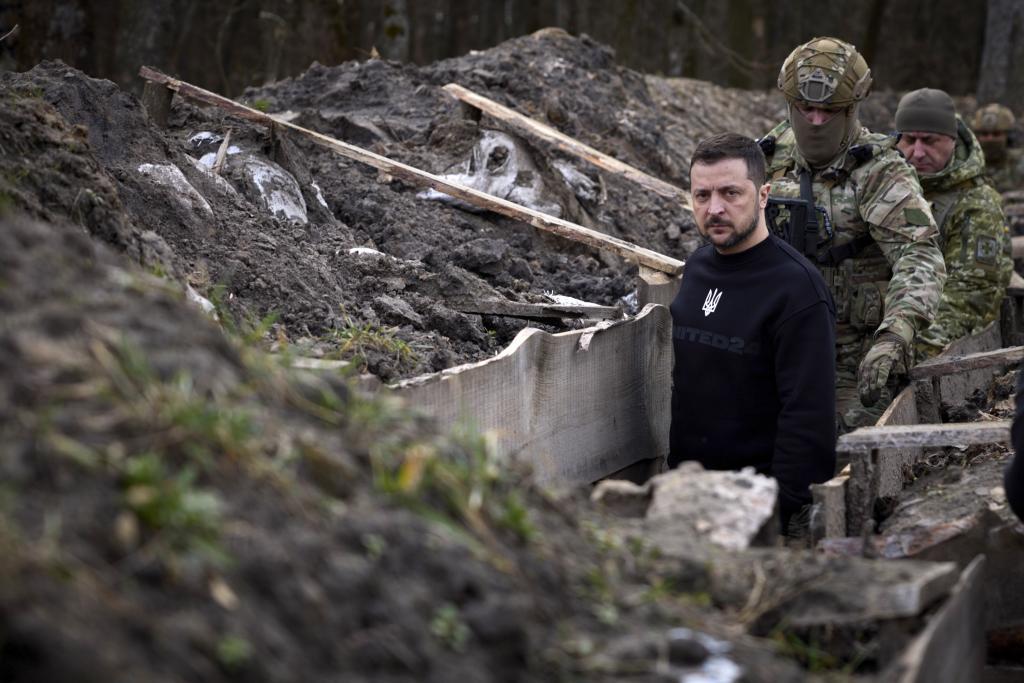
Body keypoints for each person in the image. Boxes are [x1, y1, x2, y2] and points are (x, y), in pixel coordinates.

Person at [759, 37, 946, 431]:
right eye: (805, 108)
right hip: (775, 344)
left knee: (838, 454)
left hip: (852, 358)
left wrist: (895, 334)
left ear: (851, 109)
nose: (814, 120)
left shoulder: (879, 171)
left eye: (829, 111)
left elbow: (920, 254)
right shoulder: (770, 157)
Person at [668, 132, 836, 533]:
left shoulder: (797, 290)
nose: (715, 208)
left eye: (730, 193)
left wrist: (775, 510)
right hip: (686, 495)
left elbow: (808, 416)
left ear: (763, 195)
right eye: (702, 195)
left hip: (755, 507)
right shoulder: (697, 269)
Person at [894, 88, 1013, 360]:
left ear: (952, 140)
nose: (918, 152)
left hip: (932, 341)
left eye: (929, 141)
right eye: (909, 140)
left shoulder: (976, 203)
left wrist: (906, 350)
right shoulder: (884, 188)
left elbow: (971, 297)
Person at [970, 103, 1024, 236]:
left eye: (996, 134)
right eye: (985, 134)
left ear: (1009, 137)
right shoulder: (967, 166)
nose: (990, 139)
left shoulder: (1019, 163)